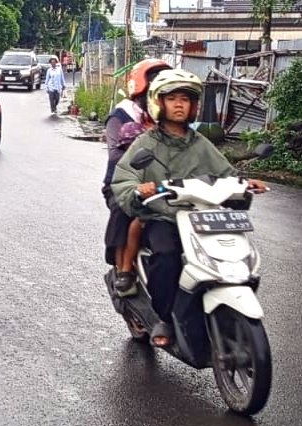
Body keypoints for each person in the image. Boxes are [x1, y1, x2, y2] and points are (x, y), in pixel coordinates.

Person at [111, 68, 266, 347]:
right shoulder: (146, 142)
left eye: (185, 99)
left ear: (194, 105)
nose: (179, 104)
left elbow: (225, 172)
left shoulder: (201, 143)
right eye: (172, 99)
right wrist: (138, 189)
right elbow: (123, 177)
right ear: (160, 103)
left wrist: (244, 182)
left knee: (230, 254)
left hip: (201, 218)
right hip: (163, 217)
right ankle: (164, 318)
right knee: (167, 255)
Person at [102, 58, 169, 296]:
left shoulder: (170, 116)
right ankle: (124, 270)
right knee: (125, 210)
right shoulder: (121, 116)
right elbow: (116, 157)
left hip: (166, 184)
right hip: (125, 183)